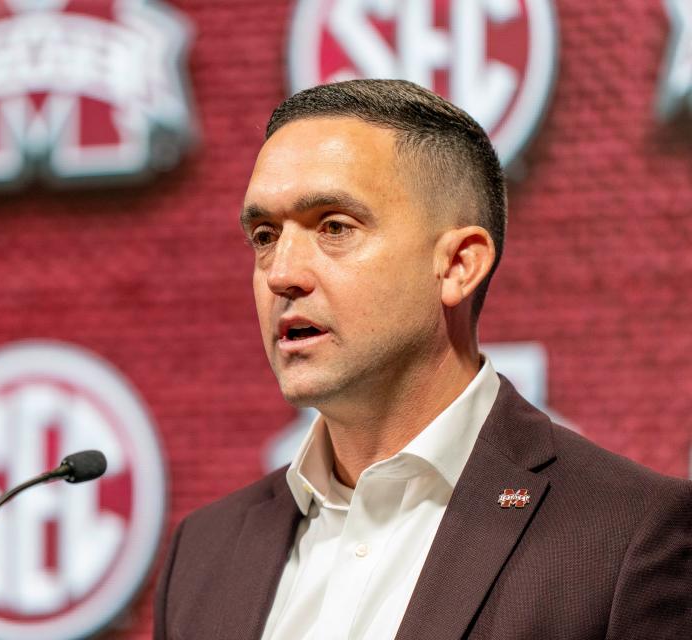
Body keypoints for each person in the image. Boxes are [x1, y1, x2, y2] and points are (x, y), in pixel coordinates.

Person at [152, 79, 692, 640]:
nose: (281, 273)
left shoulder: (628, 533)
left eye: (334, 227)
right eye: (264, 235)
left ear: (458, 265)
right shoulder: (204, 551)